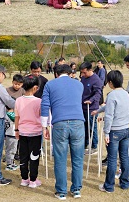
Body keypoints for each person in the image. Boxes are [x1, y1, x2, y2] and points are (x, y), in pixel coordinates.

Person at [41, 64, 84, 200]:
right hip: (78, 122)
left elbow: (44, 105)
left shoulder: (50, 84)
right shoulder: (79, 84)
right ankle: (76, 189)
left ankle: (61, 191)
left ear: (56, 74)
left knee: (60, 158)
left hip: (59, 123)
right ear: (70, 73)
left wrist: (44, 127)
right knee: (77, 158)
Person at [91, 70, 129, 192]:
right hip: (126, 129)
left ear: (110, 82)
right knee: (124, 157)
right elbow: (110, 107)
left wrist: (106, 133)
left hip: (114, 131)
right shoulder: (126, 94)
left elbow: (109, 115)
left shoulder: (112, 95)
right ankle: (125, 183)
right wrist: (98, 111)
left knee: (112, 159)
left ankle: (109, 186)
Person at [14, 75, 42, 188]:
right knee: (34, 156)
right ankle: (33, 180)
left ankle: (24, 178)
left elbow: (17, 117)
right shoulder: (39, 101)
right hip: (35, 133)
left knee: (23, 156)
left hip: (22, 132)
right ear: (35, 88)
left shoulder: (18, 100)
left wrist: (16, 129)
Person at [79, 61, 103, 155]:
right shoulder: (83, 78)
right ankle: (85, 144)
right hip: (83, 107)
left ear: (90, 70)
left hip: (92, 108)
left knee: (92, 126)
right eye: (82, 73)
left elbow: (98, 93)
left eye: (84, 72)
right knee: (84, 126)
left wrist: (91, 100)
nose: (83, 74)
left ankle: (94, 146)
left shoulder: (96, 80)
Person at [3, 74, 24, 172]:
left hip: (13, 125)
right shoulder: (7, 90)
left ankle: (10, 160)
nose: (17, 86)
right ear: (12, 82)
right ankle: (9, 163)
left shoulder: (23, 91)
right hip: (11, 128)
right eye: (15, 84)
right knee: (11, 146)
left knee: (12, 146)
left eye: (19, 84)